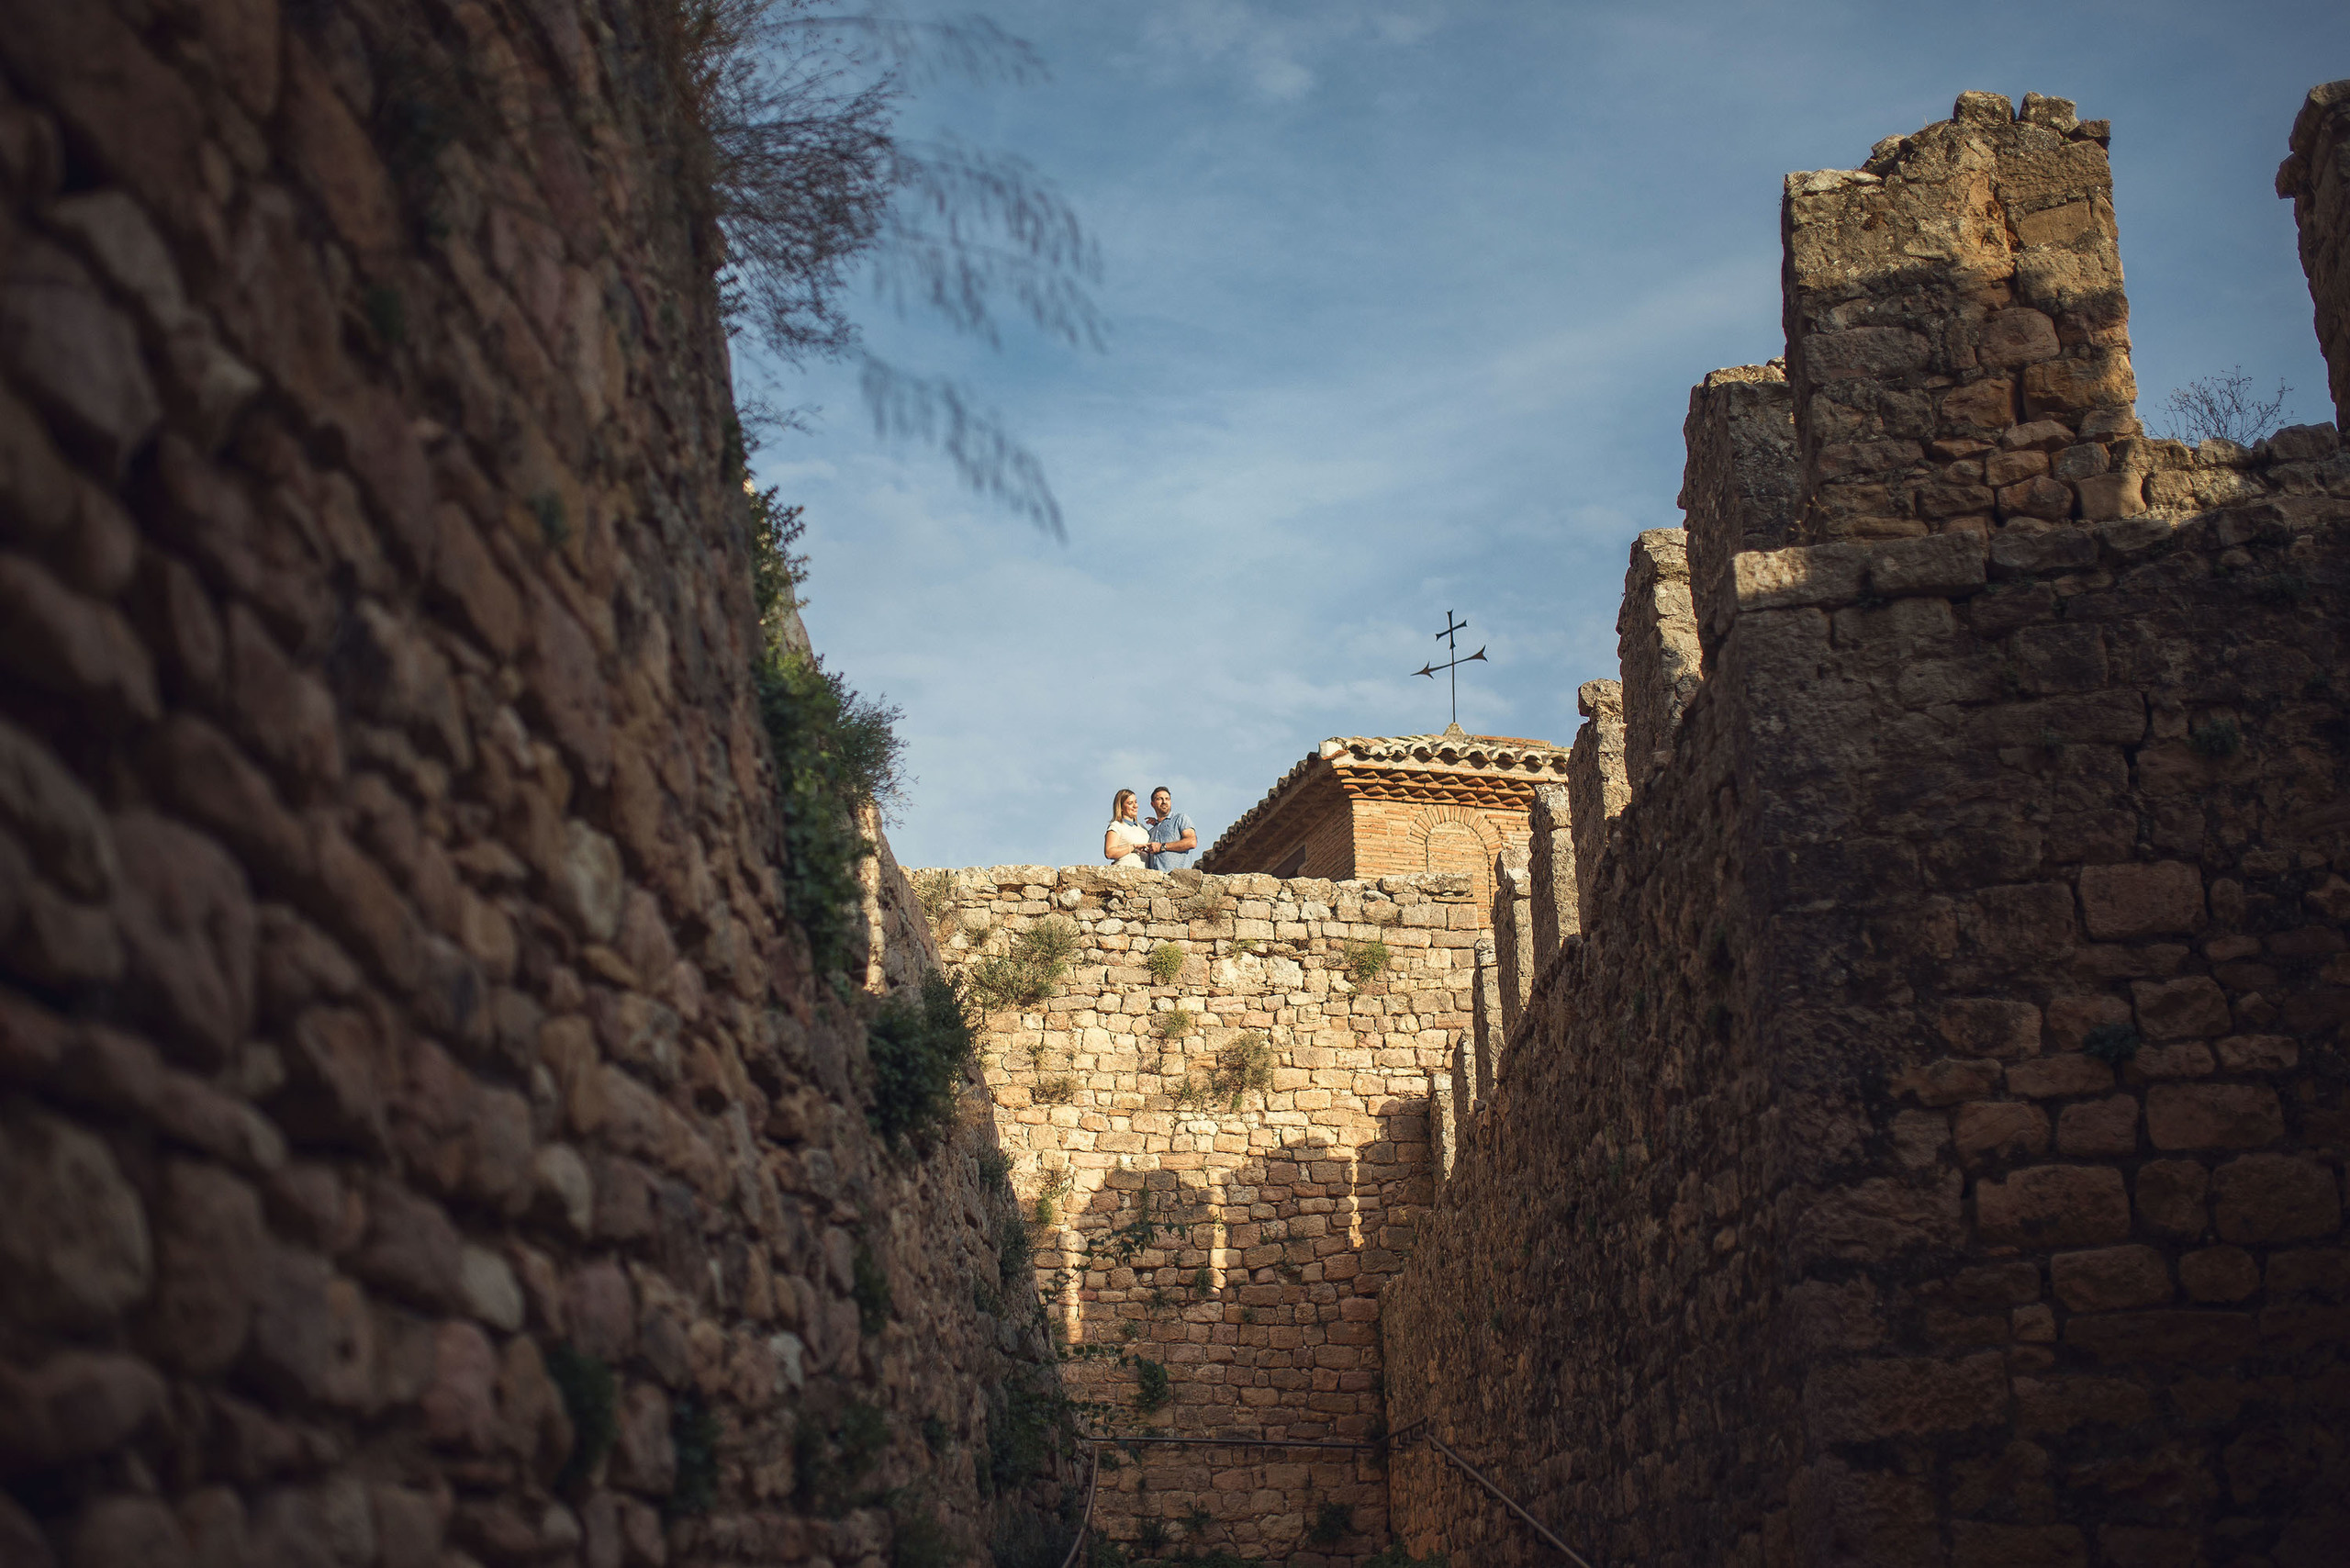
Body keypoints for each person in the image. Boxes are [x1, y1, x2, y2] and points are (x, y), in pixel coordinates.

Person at [1144, 787, 1198, 870]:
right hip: (1155, 877)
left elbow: (1191, 842)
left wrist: (1162, 847)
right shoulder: (1151, 831)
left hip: (1178, 876)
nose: (1164, 802)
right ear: (1152, 804)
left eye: (1167, 799)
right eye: (1159, 799)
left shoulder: (1180, 819)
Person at [1103, 790, 1150, 868]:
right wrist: (1133, 847)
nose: (1135, 806)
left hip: (1144, 872)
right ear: (1121, 807)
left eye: (1136, 802)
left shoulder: (1142, 828)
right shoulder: (1116, 826)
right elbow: (1109, 853)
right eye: (1130, 803)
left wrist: (1156, 823)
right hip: (1125, 871)